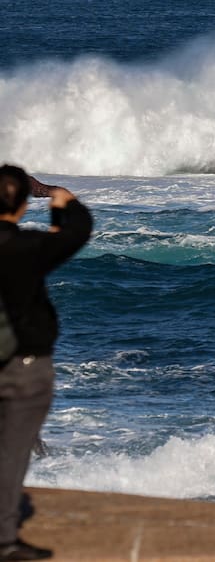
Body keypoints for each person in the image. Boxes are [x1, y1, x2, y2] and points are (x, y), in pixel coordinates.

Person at [0, 164, 92, 561]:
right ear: (22, 205)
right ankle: (4, 541)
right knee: (13, 453)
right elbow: (75, 235)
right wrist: (65, 206)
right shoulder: (25, 249)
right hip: (23, 365)